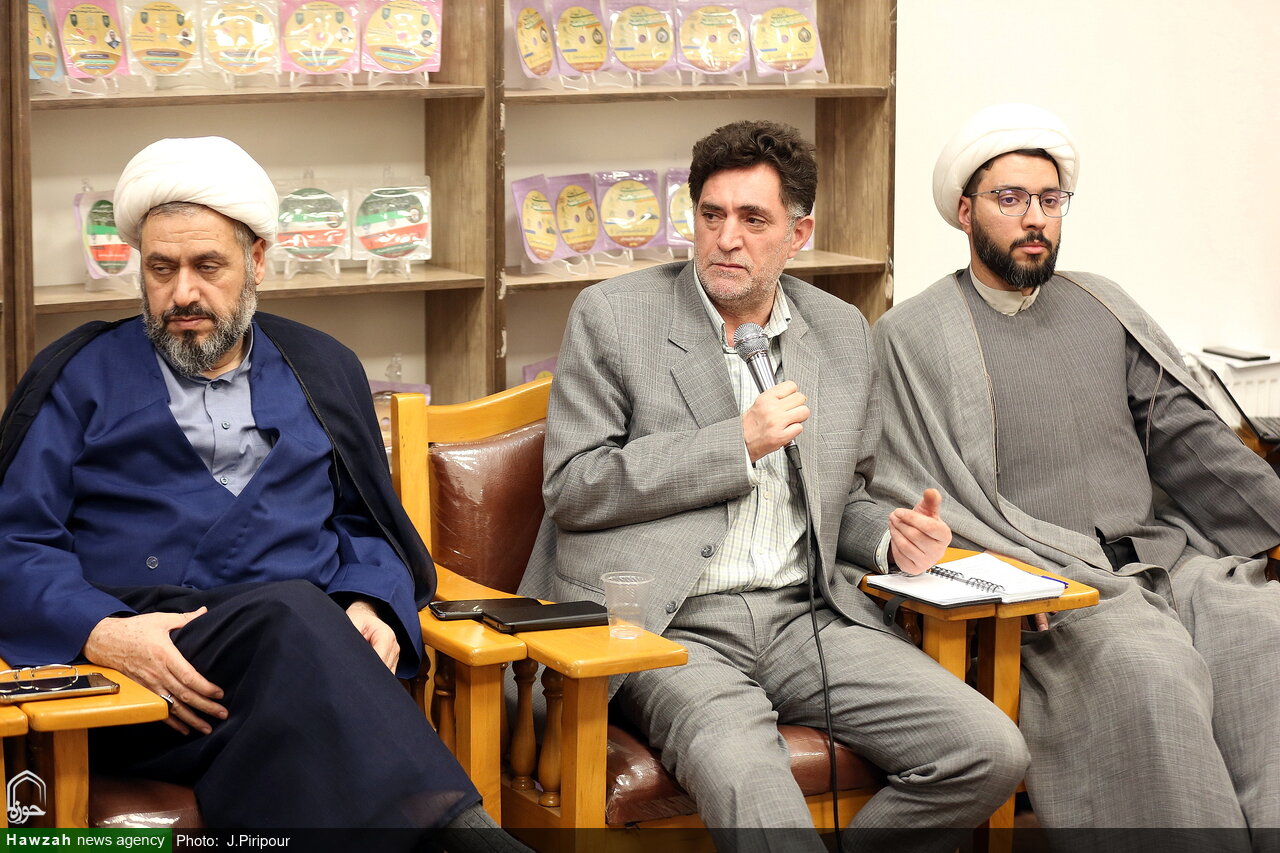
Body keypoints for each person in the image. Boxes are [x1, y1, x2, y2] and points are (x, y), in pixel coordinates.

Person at [520, 120, 1028, 852]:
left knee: (987, 751)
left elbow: (847, 495)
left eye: (753, 220)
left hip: (805, 617)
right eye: (711, 215)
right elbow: (574, 485)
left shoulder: (841, 331)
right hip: (667, 625)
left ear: (798, 234)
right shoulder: (613, 317)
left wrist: (891, 542)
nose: (726, 239)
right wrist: (735, 443)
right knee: (750, 777)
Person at [0, 136, 521, 844]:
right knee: (294, 614)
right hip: (148, 684)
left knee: (300, 644)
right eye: (161, 269)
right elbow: (16, 542)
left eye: (207, 265)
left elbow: (365, 523)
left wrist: (369, 600)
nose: (183, 293)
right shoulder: (79, 375)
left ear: (257, 262)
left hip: (302, 674)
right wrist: (102, 631)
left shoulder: (321, 367)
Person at [870, 103, 1280, 841]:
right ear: (965, 211)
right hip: (1058, 587)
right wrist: (998, 573)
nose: (1035, 219)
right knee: (1150, 669)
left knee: (1266, 630)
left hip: (1168, 560)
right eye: (1010, 199)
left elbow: (1185, 436)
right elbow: (907, 490)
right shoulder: (912, 333)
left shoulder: (1101, 303)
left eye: (1050, 200)